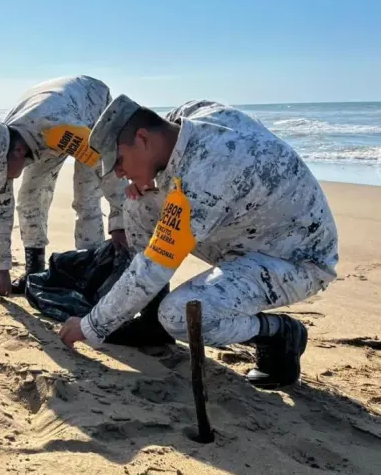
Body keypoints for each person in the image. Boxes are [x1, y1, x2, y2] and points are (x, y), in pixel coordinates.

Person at [58, 95, 339, 389]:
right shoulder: (186, 118)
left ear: (142, 139)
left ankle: (279, 332)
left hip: (296, 260)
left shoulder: (207, 175)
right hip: (250, 230)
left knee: (179, 314)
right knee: (138, 206)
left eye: (119, 161)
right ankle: (151, 323)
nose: (119, 173)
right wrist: (154, 179)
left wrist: (91, 326)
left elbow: (153, 268)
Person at [0, 76, 128, 295]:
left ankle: (90, 271)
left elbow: (108, 170)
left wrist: (119, 222)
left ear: (18, 152)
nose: (1, 179)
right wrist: (1, 268)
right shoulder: (3, 140)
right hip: (42, 132)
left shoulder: (60, 127)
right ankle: (34, 271)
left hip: (91, 111)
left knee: (86, 198)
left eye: (2, 171)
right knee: (29, 199)